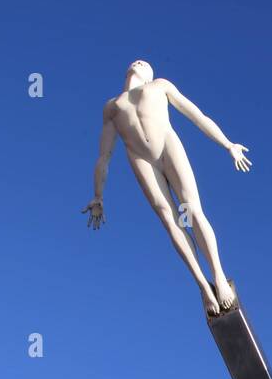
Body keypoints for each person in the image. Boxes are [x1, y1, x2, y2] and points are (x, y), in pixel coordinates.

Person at [85, 59, 251, 315]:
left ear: (150, 73)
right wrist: (98, 195)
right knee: (170, 219)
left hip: (167, 146)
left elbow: (197, 116)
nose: (138, 62)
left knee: (192, 211)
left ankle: (218, 275)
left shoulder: (159, 86)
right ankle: (203, 287)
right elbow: (103, 156)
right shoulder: (112, 108)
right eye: (135, 61)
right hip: (140, 158)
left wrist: (228, 144)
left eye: (144, 63)